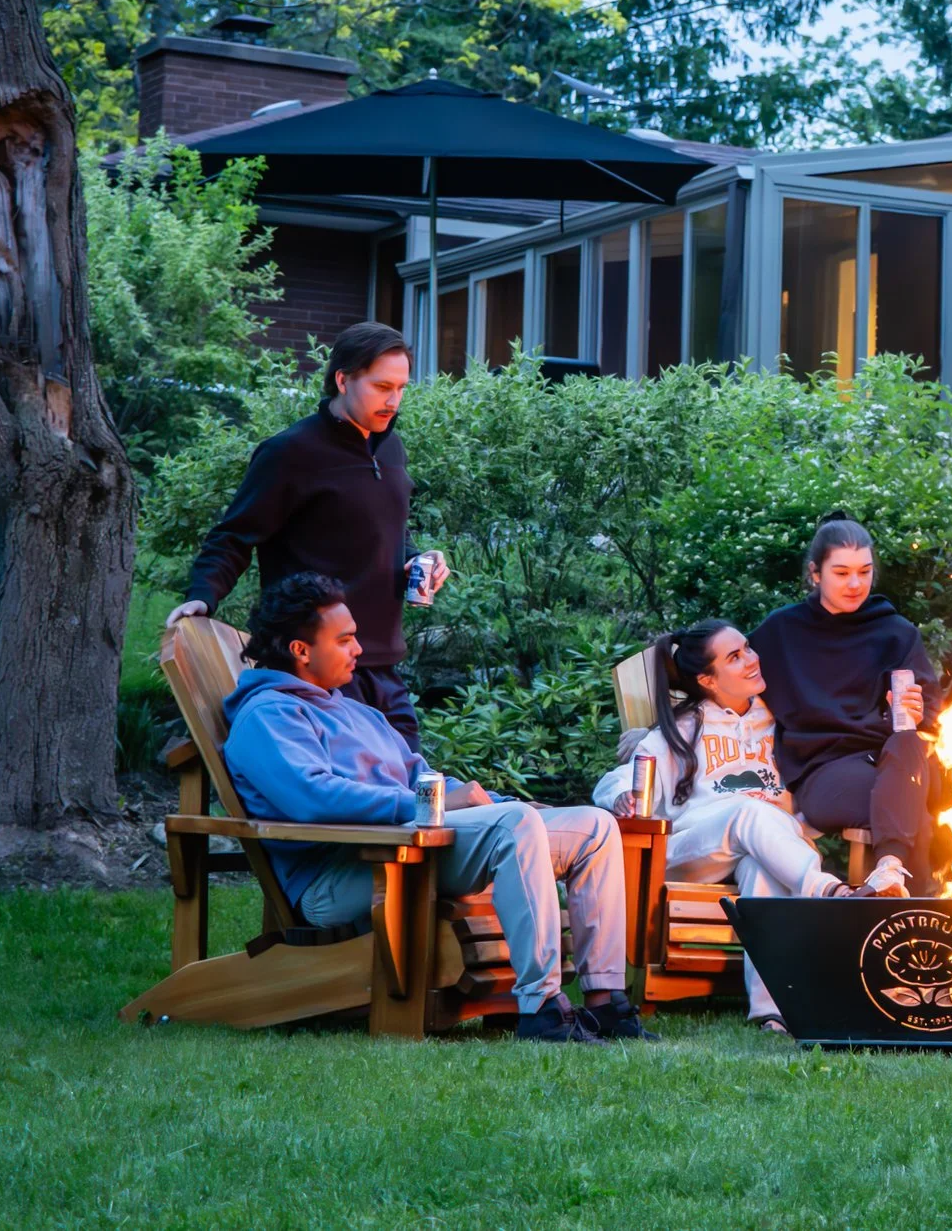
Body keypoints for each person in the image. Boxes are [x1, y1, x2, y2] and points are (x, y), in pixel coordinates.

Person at [219, 571, 651, 1042]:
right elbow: (312, 797)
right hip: (342, 875)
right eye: (344, 640)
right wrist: (434, 804)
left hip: (413, 851)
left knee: (593, 826)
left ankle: (605, 1002)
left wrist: (512, 801)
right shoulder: (268, 716)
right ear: (301, 650)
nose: (358, 650)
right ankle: (542, 1008)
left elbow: (420, 777)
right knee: (515, 826)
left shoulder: (356, 711)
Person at [170, 322, 449, 745]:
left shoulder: (391, 449)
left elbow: (384, 531)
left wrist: (416, 559)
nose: (394, 401)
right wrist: (202, 595)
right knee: (354, 803)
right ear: (343, 379)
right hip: (315, 671)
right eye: (382, 386)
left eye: (402, 388)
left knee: (411, 793)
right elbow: (234, 536)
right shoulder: (291, 453)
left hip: (384, 668)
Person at [593, 619, 873, 1033]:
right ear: (708, 678)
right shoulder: (686, 726)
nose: (752, 660)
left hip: (769, 847)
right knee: (748, 810)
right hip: (692, 851)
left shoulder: (783, 721)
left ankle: (772, 1011)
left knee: (762, 866)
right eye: (735, 657)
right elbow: (619, 778)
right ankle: (828, 894)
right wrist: (620, 796)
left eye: (748, 648)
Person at [748, 515, 947, 898]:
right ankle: (915, 925)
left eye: (864, 572)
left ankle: (887, 884)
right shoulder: (782, 632)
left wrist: (912, 714)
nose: (855, 584)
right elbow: (717, 672)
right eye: (841, 573)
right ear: (815, 573)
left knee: (909, 746)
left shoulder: (896, 632)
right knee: (913, 811)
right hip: (827, 771)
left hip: (897, 760)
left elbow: (932, 719)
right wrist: (658, 726)